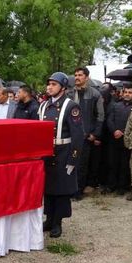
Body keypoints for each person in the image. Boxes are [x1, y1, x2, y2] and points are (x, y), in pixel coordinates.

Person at [38, 72, 84, 238]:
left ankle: (57, 222)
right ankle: (49, 219)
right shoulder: (43, 105)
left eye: (54, 84)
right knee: (48, 188)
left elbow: (78, 135)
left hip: (63, 153)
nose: (49, 87)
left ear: (63, 88)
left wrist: (73, 158)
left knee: (61, 189)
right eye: (48, 84)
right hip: (46, 154)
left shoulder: (71, 107)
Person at [69, 67, 104, 198]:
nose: (77, 77)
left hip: (85, 136)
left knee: (82, 165)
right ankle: (69, 189)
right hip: (71, 134)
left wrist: (94, 134)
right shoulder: (69, 93)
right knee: (70, 162)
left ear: (86, 77)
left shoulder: (95, 94)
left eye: (80, 75)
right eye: (75, 75)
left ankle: (78, 191)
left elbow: (100, 116)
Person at [105, 83, 132, 194]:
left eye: (130, 92)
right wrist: (115, 130)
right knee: (112, 163)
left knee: (125, 164)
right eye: (125, 92)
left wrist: (123, 132)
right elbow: (109, 120)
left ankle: (122, 186)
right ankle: (111, 185)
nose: (127, 94)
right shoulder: (115, 105)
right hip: (114, 138)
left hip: (128, 140)